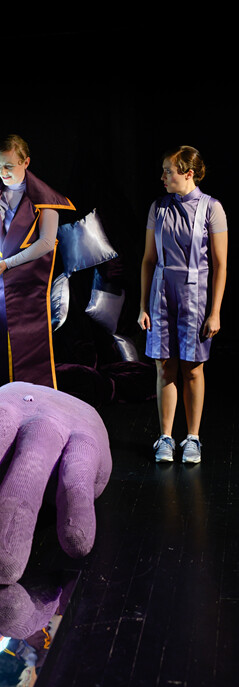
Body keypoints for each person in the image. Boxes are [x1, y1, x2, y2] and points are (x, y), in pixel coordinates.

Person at [0, 134, 75, 391]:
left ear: (26, 162)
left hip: (27, 289)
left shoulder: (46, 199)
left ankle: (31, 406)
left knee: (28, 356)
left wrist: (7, 264)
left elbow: (46, 243)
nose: (2, 172)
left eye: (8, 166)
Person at [138, 146, 228, 463]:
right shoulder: (159, 207)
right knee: (164, 366)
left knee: (192, 368)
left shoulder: (212, 208)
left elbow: (220, 265)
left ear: (188, 173)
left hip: (195, 295)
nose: (163, 177)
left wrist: (215, 312)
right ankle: (165, 437)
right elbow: (148, 260)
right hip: (162, 293)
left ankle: (193, 438)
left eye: (168, 171)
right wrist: (143, 306)